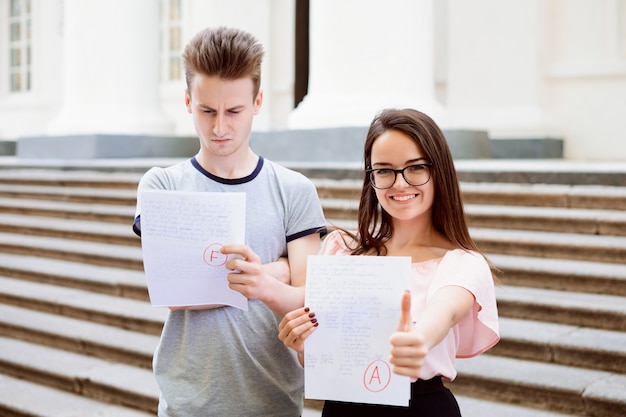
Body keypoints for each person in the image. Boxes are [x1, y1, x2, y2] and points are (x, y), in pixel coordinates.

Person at [133, 26, 326, 417]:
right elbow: (174, 292)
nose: (220, 127)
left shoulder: (295, 190)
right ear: (188, 101)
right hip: (187, 402)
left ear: (257, 102)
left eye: (234, 111)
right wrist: (277, 269)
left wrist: (222, 275)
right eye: (207, 110)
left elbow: (311, 298)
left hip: (273, 399)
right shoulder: (163, 184)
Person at [278, 108, 500, 416]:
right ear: (370, 178)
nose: (399, 184)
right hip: (343, 407)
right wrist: (303, 344)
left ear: (439, 171)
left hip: (421, 406)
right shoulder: (342, 250)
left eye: (415, 168)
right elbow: (317, 354)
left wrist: (419, 339)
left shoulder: (462, 262)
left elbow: (445, 310)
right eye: (384, 170)